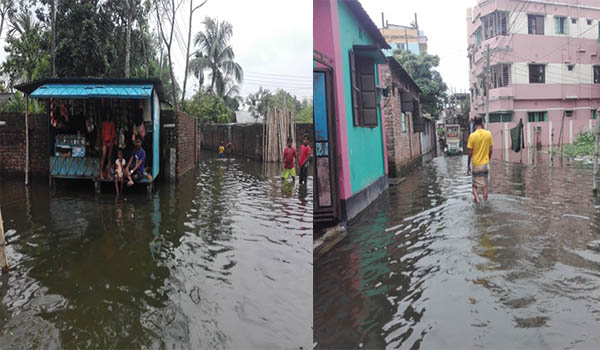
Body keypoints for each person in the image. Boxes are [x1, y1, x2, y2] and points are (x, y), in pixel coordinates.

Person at [467, 116, 494, 203]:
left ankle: (478, 200)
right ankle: (485, 203)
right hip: (485, 164)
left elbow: (470, 152)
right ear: (482, 123)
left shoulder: (472, 136)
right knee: (484, 186)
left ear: (474, 123)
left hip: (476, 164)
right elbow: (491, 150)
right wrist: (488, 159)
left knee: (474, 186)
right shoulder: (488, 134)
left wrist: (468, 166)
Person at [100, 113, 116, 179]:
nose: (108, 115)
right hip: (105, 141)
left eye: (109, 114)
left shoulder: (112, 123)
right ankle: (101, 173)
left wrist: (110, 142)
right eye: (107, 114)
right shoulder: (104, 123)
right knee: (103, 156)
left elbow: (113, 134)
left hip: (110, 141)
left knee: (109, 158)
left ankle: (108, 174)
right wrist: (106, 142)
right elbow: (102, 134)